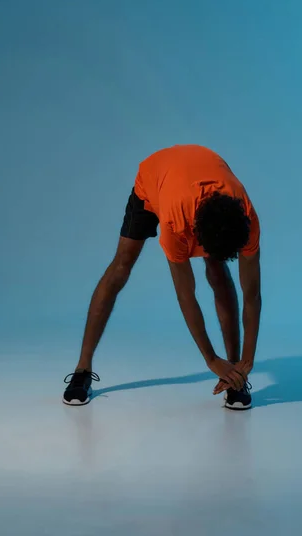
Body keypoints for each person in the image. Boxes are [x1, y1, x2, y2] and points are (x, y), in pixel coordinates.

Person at [63, 144, 261, 410]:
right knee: (122, 264)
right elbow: (185, 293)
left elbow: (252, 293)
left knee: (217, 270)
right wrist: (210, 359)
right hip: (156, 177)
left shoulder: (246, 216)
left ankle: (234, 373)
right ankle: (82, 369)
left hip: (195, 177)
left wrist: (247, 360)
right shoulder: (175, 222)